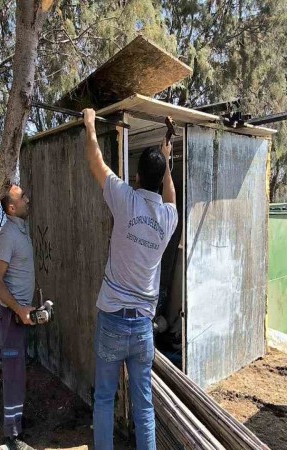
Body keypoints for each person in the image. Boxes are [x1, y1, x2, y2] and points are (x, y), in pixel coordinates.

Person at [82, 108, 178, 450]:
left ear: (136, 177)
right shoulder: (168, 219)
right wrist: (167, 161)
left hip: (112, 320)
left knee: (105, 399)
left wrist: (90, 123)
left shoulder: (125, 200)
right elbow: (170, 197)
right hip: (142, 329)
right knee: (144, 406)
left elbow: (96, 162)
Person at [0, 184, 36, 450]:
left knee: (18, 370)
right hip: (11, 316)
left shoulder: (21, 229)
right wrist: (19, 309)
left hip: (20, 315)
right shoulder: (7, 235)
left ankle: (16, 422)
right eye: (23, 197)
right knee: (12, 371)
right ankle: (12, 436)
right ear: (11, 207)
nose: (27, 200)